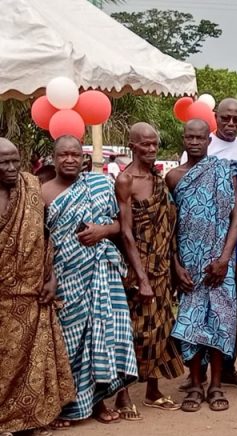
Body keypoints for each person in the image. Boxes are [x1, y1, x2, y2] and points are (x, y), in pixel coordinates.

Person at [42, 135, 138, 426]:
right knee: (70, 341)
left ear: (84, 159)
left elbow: (123, 224)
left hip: (102, 271)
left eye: (75, 154)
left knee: (104, 337)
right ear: (54, 158)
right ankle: (67, 405)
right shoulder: (42, 192)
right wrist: (49, 276)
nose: (69, 160)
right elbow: (40, 241)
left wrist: (102, 230)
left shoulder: (99, 185)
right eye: (63, 155)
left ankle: (98, 403)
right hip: (65, 275)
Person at [178, 97, 237, 391]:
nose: (231, 124)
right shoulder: (198, 144)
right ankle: (195, 373)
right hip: (192, 250)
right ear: (215, 118)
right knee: (195, 311)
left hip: (231, 246)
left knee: (228, 310)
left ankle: (228, 367)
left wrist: (231, 256)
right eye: (226, 118)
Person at [165, 119, 237, 413]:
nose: (195, 142)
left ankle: (216, 384)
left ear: (209, 141)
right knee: (191, 324)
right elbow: (168, 227)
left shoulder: (225, 170)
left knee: (220, 323)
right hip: (189, 265)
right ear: (183, 139)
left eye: (200, 137)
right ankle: (195, 383)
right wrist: (175, 264)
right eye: (190, 137)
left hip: (221, 263)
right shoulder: (173, 177)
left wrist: (224, 260)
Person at [0, 138, 75, 435]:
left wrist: (52, 278)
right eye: (3, 162)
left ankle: (28, 419)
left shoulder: (31, 188)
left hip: (30, 293)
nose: (10, 168)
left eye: (15, 161)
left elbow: (46, 238)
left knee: (33, 359)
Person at [113, 123, 185, 419]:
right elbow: (126, 233)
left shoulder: (158, 178)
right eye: (145, 144)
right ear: (132, 145)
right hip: (138, 270)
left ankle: (153, 390)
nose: (151, 149)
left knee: (161, 330)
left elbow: (169, 226)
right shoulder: (125, 180)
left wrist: (174, 267)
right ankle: (123, 394)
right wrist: (141, 277)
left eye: (155, 143)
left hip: (163, 268)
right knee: (134, 331)